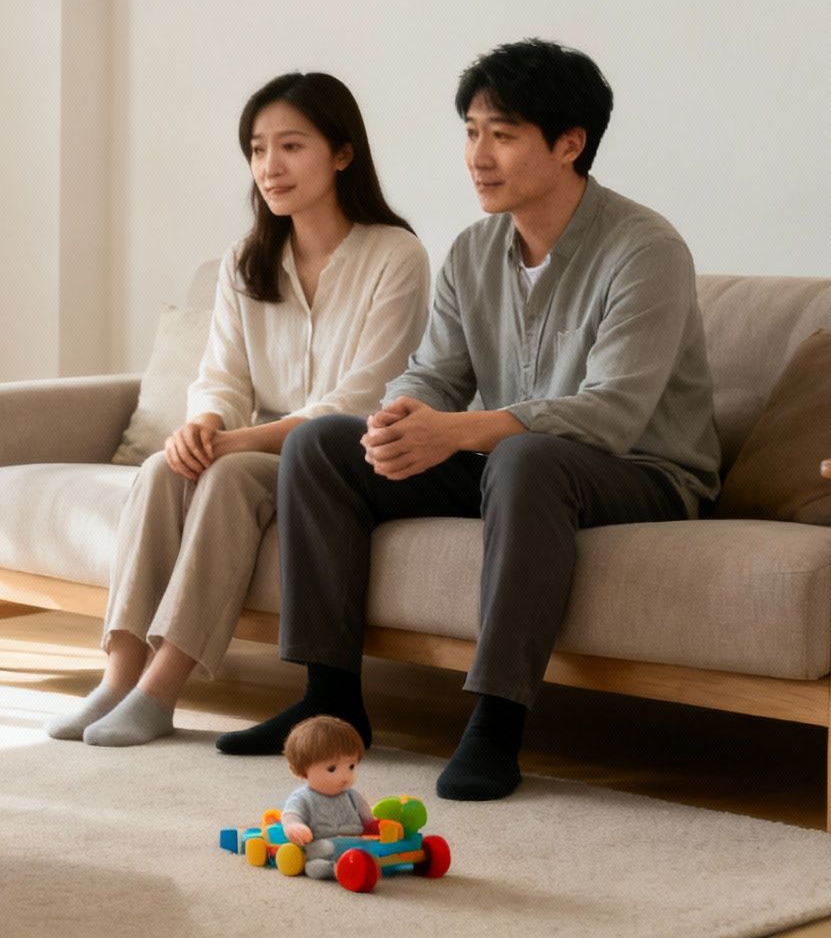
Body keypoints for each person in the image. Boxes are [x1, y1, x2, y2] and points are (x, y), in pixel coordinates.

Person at [216, 39, 720, 803]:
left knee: (526, 459)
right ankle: (331, 701)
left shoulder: (644, 249)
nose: (476, 155)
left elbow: (611, 413)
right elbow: (433, 374)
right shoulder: (474, 250)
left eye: (502, 134)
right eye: (471, 131)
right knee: (323, 443)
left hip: (642, 471)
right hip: (518, 461)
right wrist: (397, 421)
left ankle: (497, 720)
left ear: (570, 143)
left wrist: (457, 431)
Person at [45, 72, 431, 746]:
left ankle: (162, 691)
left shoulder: (395, 255)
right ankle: (118, 676)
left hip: (338, 458)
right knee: (166, 469)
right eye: (257, 150)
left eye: (290, 146)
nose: (269, 168)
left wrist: (234, 446)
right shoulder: (245, 260)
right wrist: (203, 425)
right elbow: (221, 375)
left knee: (226, 475)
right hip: (255, 444)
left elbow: (364, 397)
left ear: (342, 154)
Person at [279, 716, 378, 880]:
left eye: (351, 766)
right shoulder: (303, 797)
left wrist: (375, 825)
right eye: (332, 768)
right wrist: (294, 826)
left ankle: (361, 862)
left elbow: (368, 819)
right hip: (323, 843)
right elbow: (291, 815)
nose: (345, 776)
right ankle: (335, 869)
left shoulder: (352, 795)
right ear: (302, 769)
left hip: (356, 841)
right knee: (317, 859)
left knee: (375, 848)